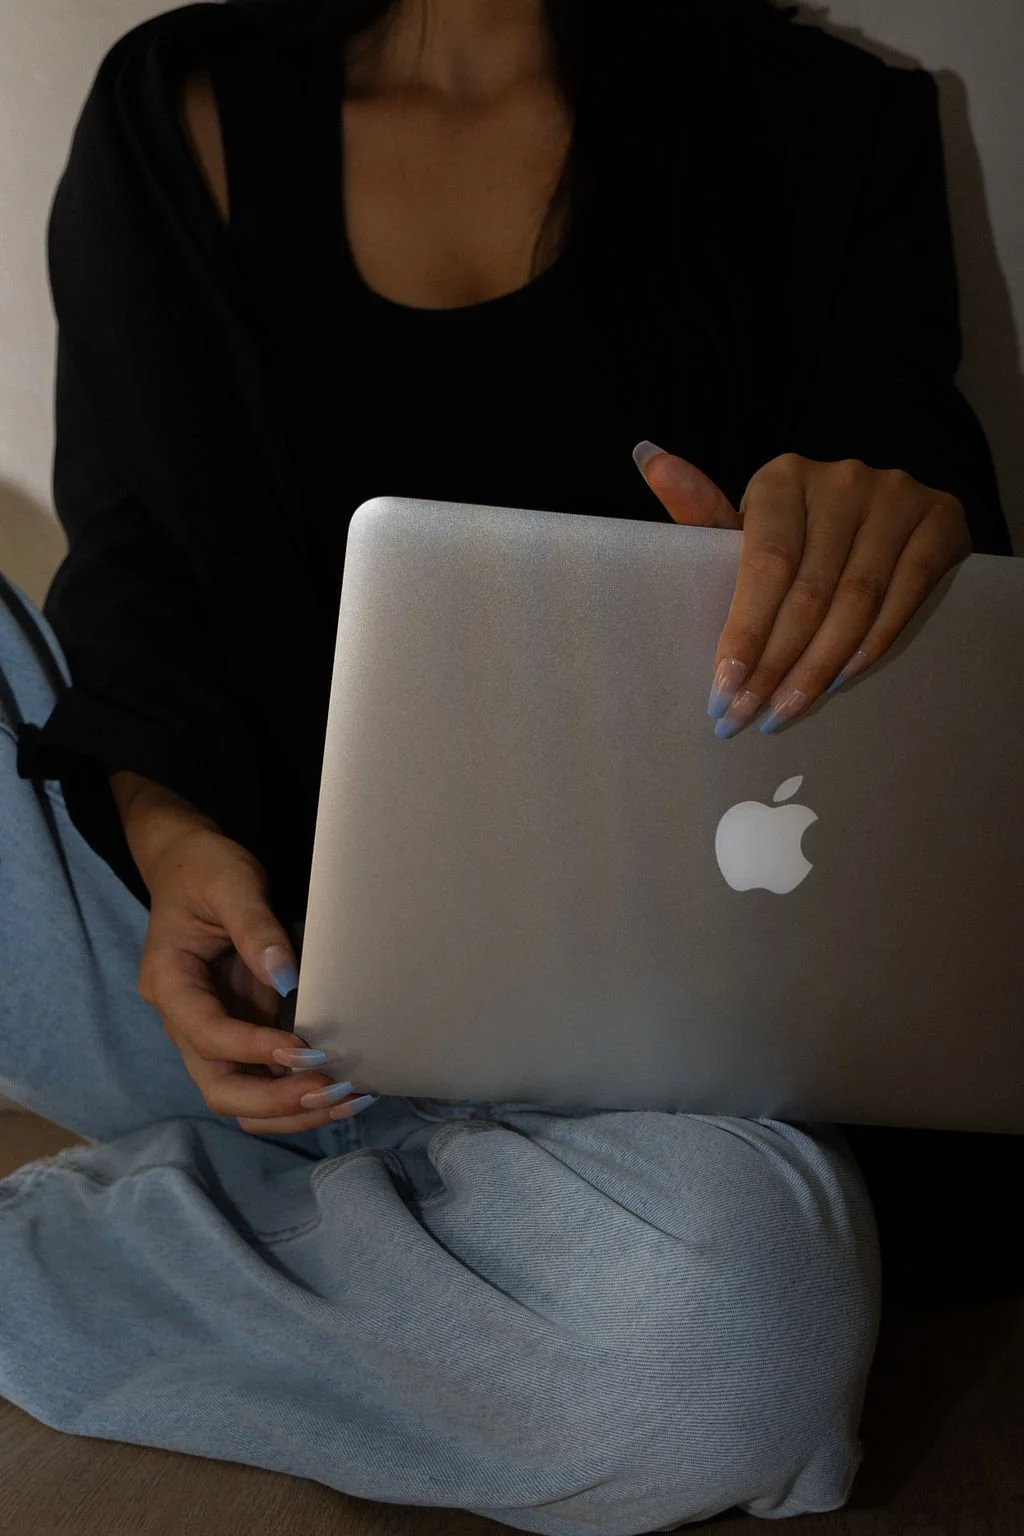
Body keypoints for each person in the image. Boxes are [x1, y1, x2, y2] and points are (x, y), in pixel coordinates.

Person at [0, 1, 1015, 1530]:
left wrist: (884, 537)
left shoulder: (824, 121)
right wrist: (166, 830)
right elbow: (131, 560)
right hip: (207, 974)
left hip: (637, 1090)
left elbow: (928, 594)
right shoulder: (177, 97)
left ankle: (181, 1232)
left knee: (729, 1353)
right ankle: (373, 1245)